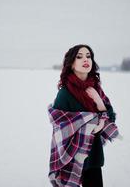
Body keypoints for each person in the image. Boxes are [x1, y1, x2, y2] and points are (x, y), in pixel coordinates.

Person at [49, 44, 118, 187]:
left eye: (88, 56)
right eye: (79, 57)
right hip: (72, 158)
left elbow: (110, 116)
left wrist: (99, 103)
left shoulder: (96, 88)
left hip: (93, 156)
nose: (85, 59)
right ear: (72, 64)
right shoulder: (65, 93)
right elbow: (59, 125)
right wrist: (89, 125)